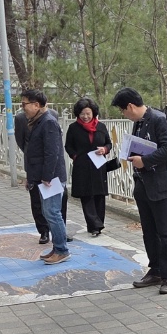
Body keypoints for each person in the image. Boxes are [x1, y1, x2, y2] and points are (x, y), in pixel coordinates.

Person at [112, 87, 167, 294]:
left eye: (123, 111)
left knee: (165, 233)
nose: (124, 115)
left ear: (131, 106)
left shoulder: (158, 120)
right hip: (143, 185)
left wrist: (145, 160)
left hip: (162, 186)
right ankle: (155, 269)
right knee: (149, 232)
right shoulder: (139, 123)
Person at [19, 89, 70, 265]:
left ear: (37, 105)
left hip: (51, 178)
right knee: (48, 213)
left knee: (53, 213)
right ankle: (57, 248)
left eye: (25, 104)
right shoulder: (38, 121)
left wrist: (47, 177)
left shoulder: (48, 122)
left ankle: (62, 250)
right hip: (42, 176)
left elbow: (52, 153)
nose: (23, 107)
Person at [65, 98, 114, 236]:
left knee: (99, 196)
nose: (85, 117)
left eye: (88, 113)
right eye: (82, 114)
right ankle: (94, 226)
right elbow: (68, 146)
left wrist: (105, 149)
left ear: (93, 113)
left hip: (99, 166)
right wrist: (75, 156)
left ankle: (97, 225)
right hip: (82, 167)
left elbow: (109, 144)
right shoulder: (73, 128)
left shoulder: (101, 127)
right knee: (86, 196)